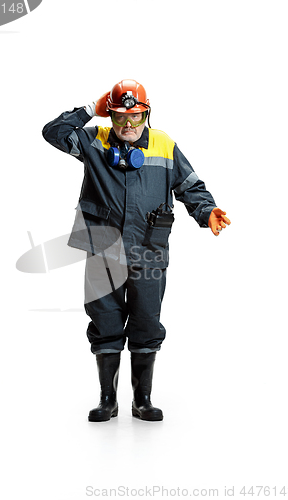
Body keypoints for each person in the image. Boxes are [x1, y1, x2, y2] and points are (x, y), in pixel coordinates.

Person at [42, 79, 231, 423]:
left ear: (147, 113)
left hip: (149, 250)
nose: (127, 125)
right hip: (102, 250)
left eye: (135, 117)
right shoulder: (93, 140)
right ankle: (107, 399)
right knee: (105, 321)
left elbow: (190, 186)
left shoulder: (163, 144)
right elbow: (52, 133)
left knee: (146, 323)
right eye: (118, 117)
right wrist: (88, 110)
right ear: (109, 114)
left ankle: (142, 400)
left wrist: (207, 211)